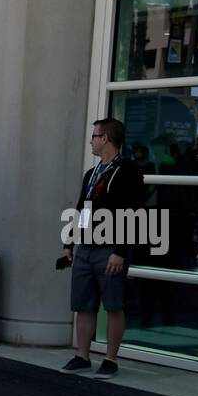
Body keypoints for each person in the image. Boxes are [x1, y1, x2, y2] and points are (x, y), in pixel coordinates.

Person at [60, 117, 146, 379]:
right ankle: (82, 356)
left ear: (106, 138)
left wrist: (120, 250)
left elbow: (134, 211)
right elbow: (82, 208)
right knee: (83, 305)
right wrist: (69, 242)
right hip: (86, 246)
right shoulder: (92, 173)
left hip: (110, 248)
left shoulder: (129, 170)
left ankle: (110, 359)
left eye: (95, 136)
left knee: (113, 305)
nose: (91, 141)